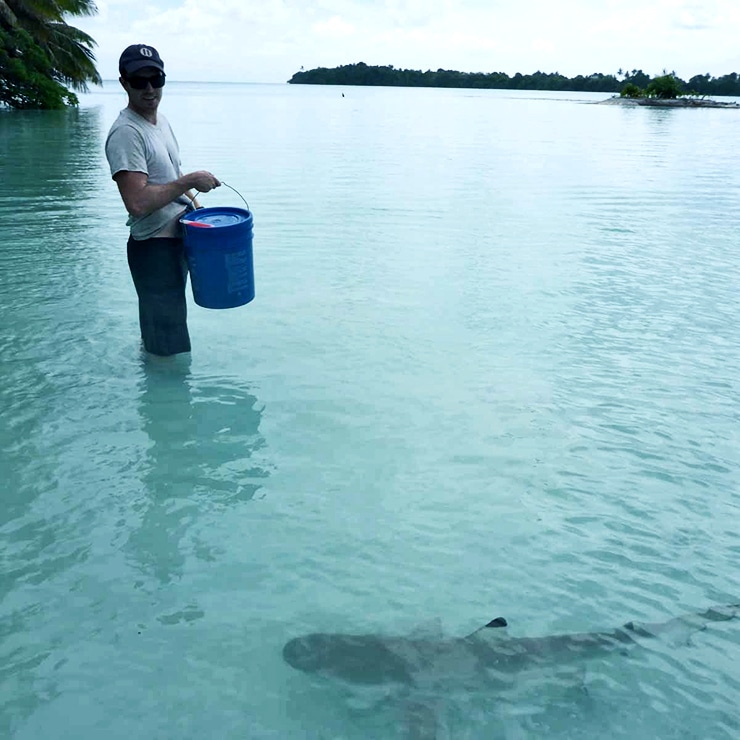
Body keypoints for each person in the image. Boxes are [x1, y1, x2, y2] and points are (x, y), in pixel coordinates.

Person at [105, 44, 221, 356]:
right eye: (139, 81)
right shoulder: (126, 133)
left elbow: (169, 175)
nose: (149, 89)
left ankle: (161, 395)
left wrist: (197, 207)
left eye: (156, 79)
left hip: (175, 244)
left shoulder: (161, 122)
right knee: (168, 349)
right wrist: (190, 180)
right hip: (153, 249)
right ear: (124, 82)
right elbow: (137, 202)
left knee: (166, 335)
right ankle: (165, 400)